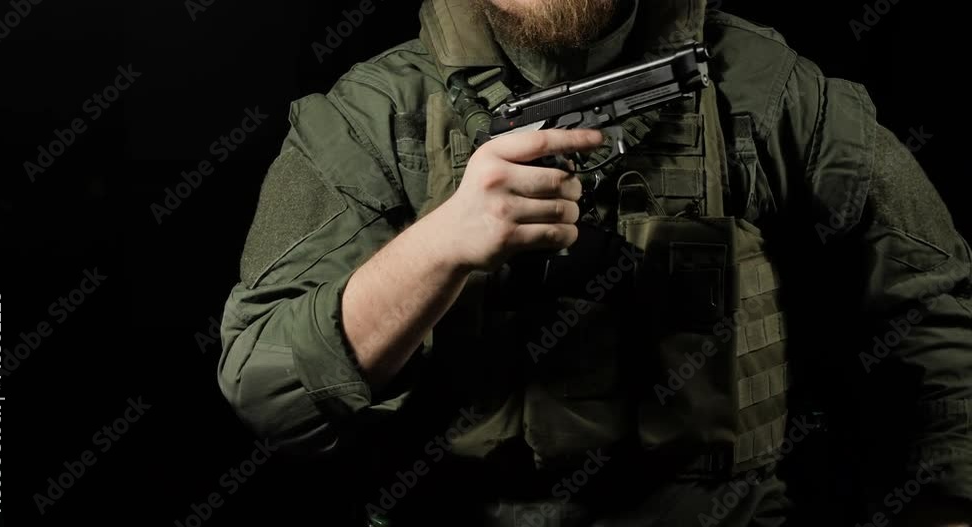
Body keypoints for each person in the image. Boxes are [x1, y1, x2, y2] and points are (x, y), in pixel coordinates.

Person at [216, 0, 972, 525]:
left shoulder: (768, 91)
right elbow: (267, 389)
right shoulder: (371, 117)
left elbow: (934, 320)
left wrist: (945, 508)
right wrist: (438, 248)